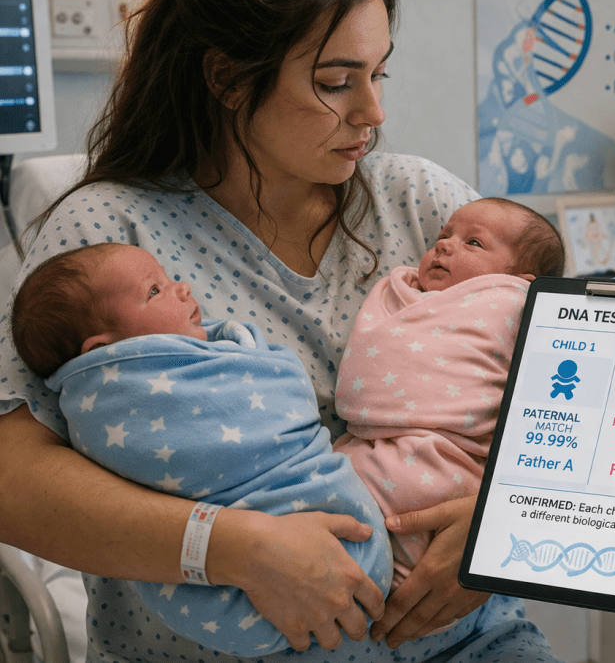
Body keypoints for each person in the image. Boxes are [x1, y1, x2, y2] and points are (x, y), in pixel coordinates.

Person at [0, 0, 562, 663]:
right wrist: (231, 549)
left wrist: (504, 517)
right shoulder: (112, 236)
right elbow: (12, 479)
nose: (373, 114)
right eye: (336, 82)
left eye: (378, 74)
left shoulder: (426, 208)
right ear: (229, 78)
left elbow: (576, 401)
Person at [10, 242, 393, 656]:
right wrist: (234, 546)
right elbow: (13, 483)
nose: (182, 289)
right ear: (102, 351)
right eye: (154, 291)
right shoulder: (111, 392)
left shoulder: (417, 193)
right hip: (244, 573)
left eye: (169, 278)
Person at [334, 197, 564, 590]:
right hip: (374, 442)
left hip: (451, 455)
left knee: (366, 489)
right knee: (336, 478)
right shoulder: (404, 297)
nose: (443, 245)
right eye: (444, 236)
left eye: (473, 243)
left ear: (521, 282)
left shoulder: (515, 305)